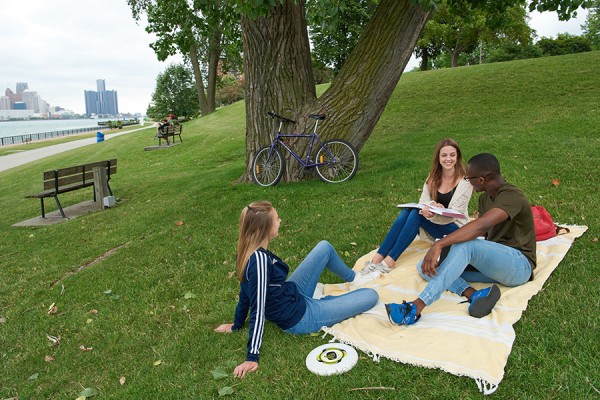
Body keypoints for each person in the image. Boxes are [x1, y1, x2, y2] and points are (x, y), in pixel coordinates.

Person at [214, 201, 380, 378]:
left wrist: (237, 325)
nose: (280, 220)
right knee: (371, 295)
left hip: (292, 293)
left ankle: (354, 279)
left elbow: (244, 294)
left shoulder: (248, 250)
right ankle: (323, 305)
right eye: (277, 219)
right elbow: (257, 307)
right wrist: (251, 357)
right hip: (298, 317)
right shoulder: (259, 261)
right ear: (265, 228)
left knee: (324, 247)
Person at [385, 153, 536, 325]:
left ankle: (415, 307)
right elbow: (483, 236)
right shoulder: (484, 198)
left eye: (468, 177)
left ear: (480, 179)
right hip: (494, 266)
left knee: (465, 246)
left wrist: (441, 244)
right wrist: (451, 253)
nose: (466, 181)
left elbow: (482, 225)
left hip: (519, 266)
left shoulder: (512, 196)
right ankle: (474, 294)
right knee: (426, 267)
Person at [360, 138, 472, 275]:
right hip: (436, 222)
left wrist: (432, 214)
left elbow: (454, 215)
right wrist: (432, 205)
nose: (448, 159)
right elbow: (423, 201)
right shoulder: (433, 177)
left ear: (458, 156)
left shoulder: (465, 181)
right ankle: (377, 259)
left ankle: (390, 261)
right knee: (409, 212)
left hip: (457, 230)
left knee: (416, 215)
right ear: (438, 157)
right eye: (444, 155)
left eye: (452, 155)